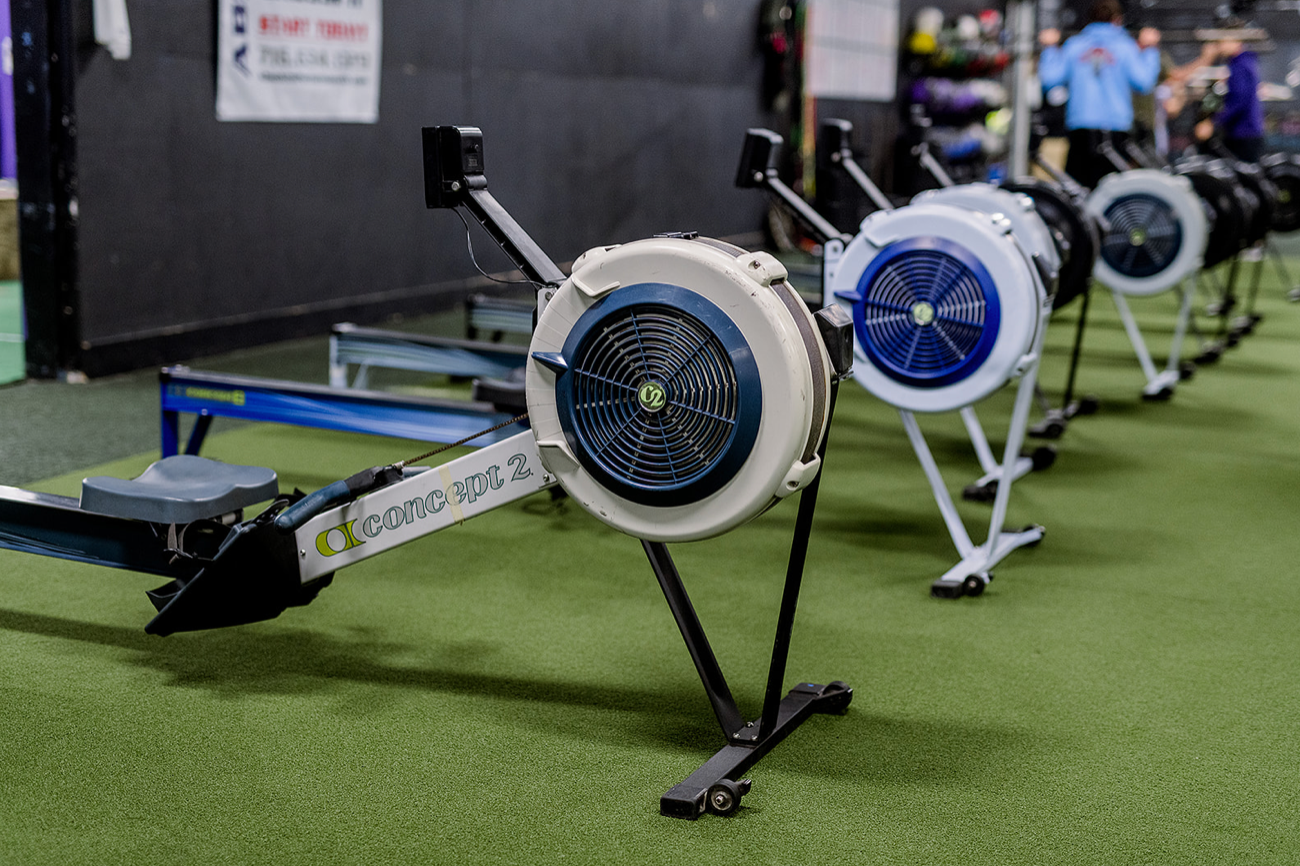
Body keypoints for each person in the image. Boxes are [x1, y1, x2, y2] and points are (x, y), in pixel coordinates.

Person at [1038, 0, 1161, 188]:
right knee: (1114, 192)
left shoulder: (1074, 45)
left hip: (1081, 128)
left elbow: (1050, 80)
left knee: (1078, 190)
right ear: (1117, 20)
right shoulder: (1125, 47)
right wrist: (1150, 49)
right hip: (1115, 130)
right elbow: (1144, 83)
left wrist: (1049, 49)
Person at [1196, 39, 1265, 162]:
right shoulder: (1242, 63)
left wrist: (1214, 123)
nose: (1220, 46)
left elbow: (1238, 101)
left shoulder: (1240, 66)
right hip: (1245, 132)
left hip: (1243, 134)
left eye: (1223, 41)